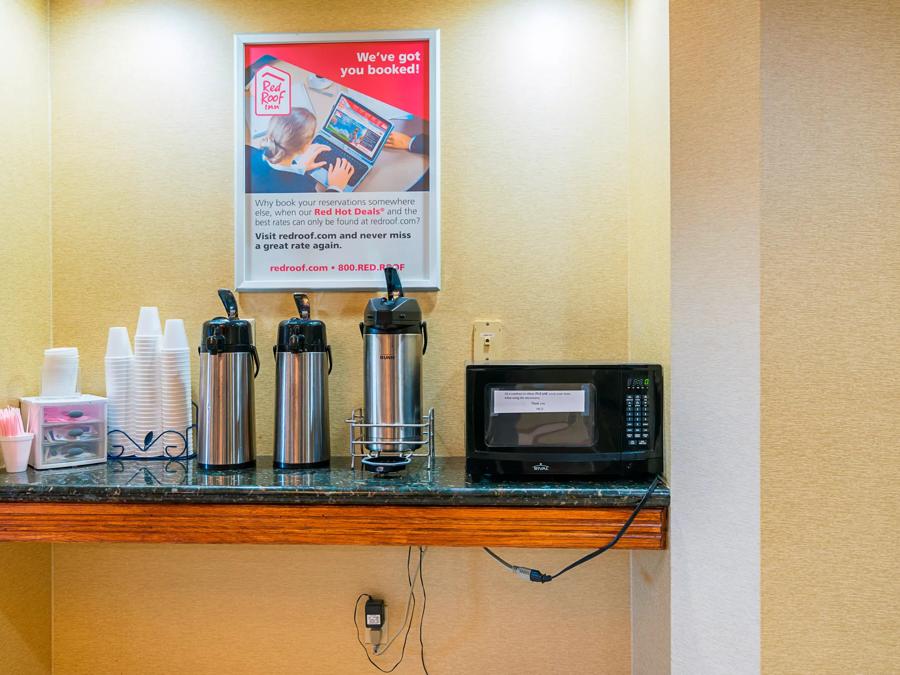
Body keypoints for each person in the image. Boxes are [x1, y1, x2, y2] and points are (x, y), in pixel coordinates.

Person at [245, 108, 354, 193]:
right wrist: (335, 187)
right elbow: (318, 216)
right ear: (305, 148)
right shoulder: (303, 189)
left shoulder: (245, 151)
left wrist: (299, 168)